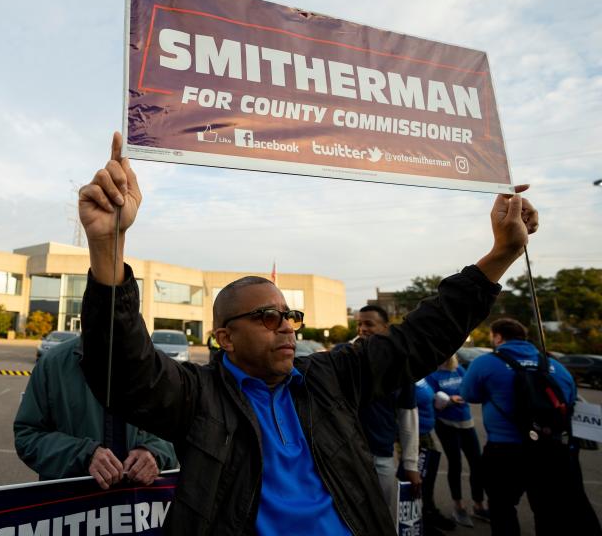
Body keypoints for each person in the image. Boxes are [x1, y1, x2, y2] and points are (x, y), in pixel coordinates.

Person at [76, 132, 538, 534]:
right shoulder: (199, 396)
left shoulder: (330, 378)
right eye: (267, 317)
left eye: (289, 314)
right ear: (225, 337)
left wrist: (500, 255)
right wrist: (107, 245)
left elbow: (417, 338)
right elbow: (124, 369)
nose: (286, 328)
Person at [461, 318, 601, 535]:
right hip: (548, 450)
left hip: (504, 450)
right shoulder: (554, 364)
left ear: (497, 337)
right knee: (546, 510)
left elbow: (469, 394)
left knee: (502, 508)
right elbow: (571, 399)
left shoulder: (485, 362)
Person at [13, 335, 178, 488]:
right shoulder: (53, 364)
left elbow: (177, 434)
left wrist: (155, 453)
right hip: (70, 509)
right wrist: (84, 455)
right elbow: (27, 436)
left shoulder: (156, 366)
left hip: (136, 507)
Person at [355, 304, 420, 521]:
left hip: (380, 456)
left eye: (369, 324)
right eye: (359, 324)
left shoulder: (401, 367)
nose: (362, 329)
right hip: (346, 456)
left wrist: (410, 464)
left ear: (385, 327)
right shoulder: (343, 360)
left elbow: (408, 418)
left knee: (381, 517)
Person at [426, 353, 487, 527]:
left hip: (466, 420)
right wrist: (448, 400)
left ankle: (478, 504)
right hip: (446, 423)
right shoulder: (432, 373)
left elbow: (469, 389)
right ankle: (458, 506)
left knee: (476, 462)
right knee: (455, 463)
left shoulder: (458, 368)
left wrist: (467, 394)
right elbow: (432, 400)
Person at [413, 376, 456, 534]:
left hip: (425, 433)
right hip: (414, 437)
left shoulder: (419, 376)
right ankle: (418, 522)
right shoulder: (404, 374)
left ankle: (429, 512)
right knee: (415, 480)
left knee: (428, 477)